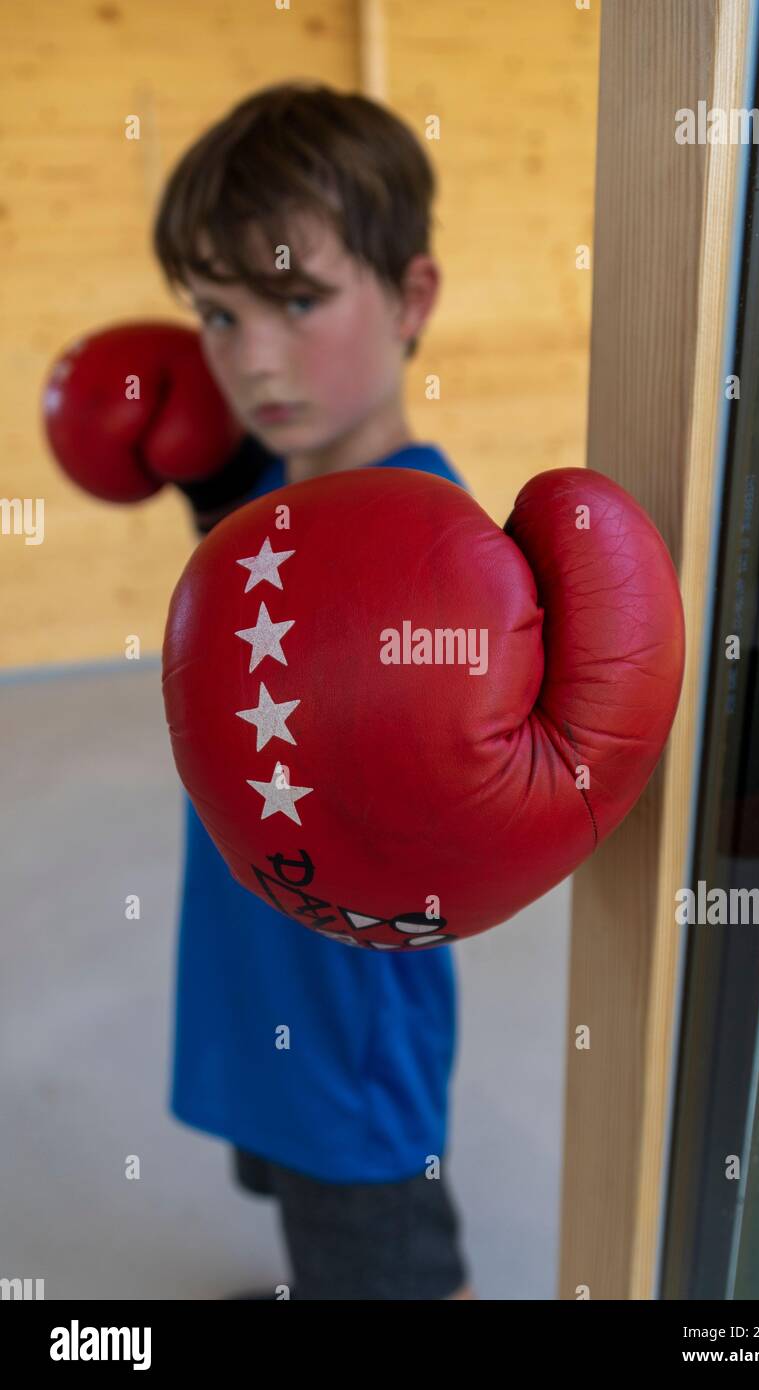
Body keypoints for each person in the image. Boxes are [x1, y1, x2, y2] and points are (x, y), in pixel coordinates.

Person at [152, 81, 476, 1301]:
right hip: (252, 980)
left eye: (298, 298)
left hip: (348, 1031)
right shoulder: (265, 510)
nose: (255, 357)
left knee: (386, 1263)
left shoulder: (432, 555)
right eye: (220, 314)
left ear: (410, 298)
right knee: (305, 1219)